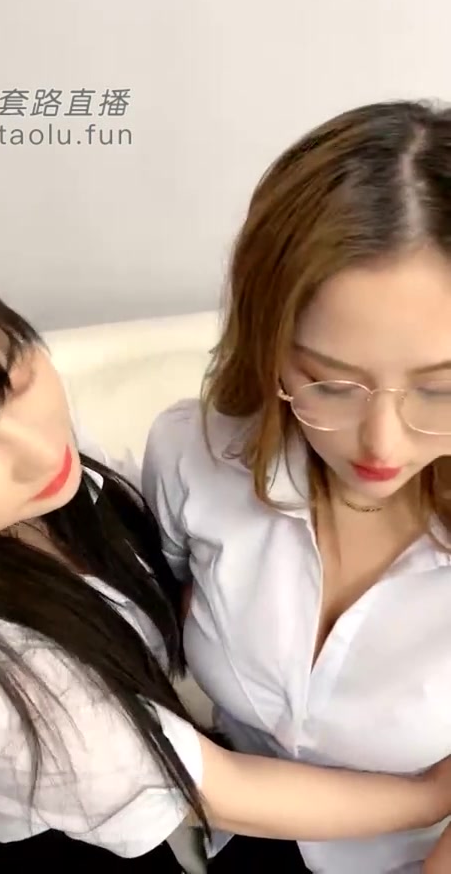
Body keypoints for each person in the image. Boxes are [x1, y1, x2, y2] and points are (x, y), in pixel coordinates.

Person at [0, 241, 448, 874]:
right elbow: (211, 788)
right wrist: (430, 795)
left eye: (15, 379)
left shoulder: (62, 473)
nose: (39, 449)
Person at [142, 100, 451, 874]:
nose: (382, 444)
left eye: (441, 390)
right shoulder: (194, 455)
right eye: (329, 383)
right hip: (243, 835)